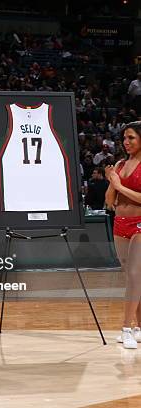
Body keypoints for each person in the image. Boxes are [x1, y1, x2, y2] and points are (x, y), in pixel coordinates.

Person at [105, 121, 141, 349]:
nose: (126, 143)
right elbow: (110, 202)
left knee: (135, 275)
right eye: (124, 139)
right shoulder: (119, 164)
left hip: (140, 223)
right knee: (132, 277)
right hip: (119, 223)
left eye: (131, 138)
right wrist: (112, 183)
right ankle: (139, 327)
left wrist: (118, 185)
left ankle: (126, 328)